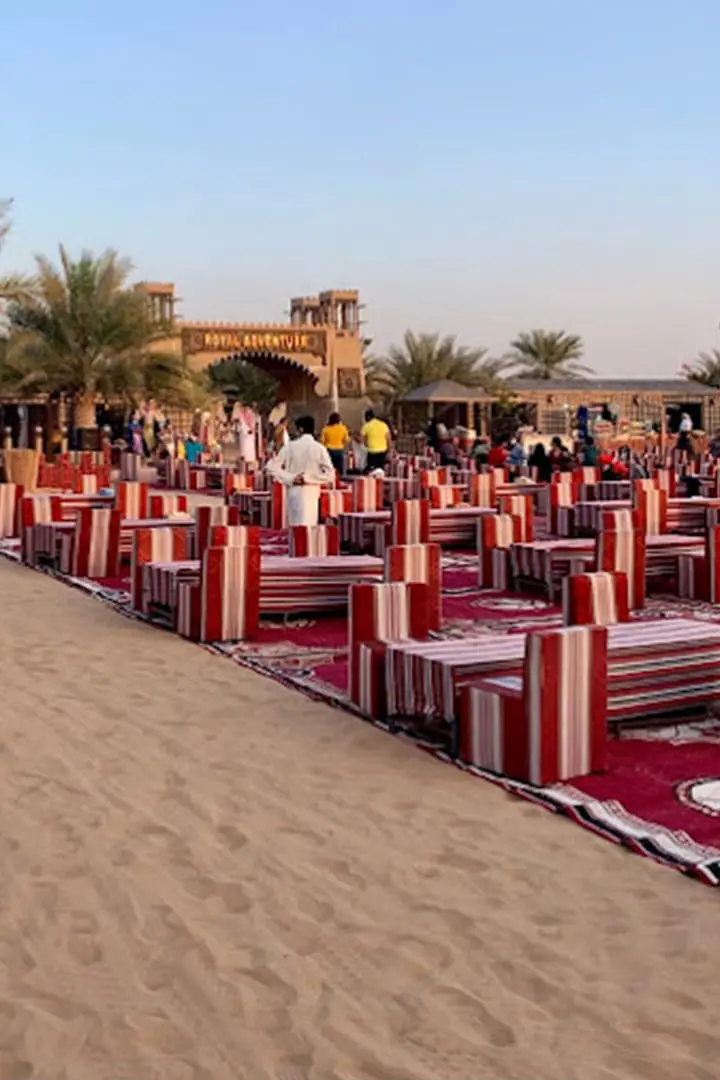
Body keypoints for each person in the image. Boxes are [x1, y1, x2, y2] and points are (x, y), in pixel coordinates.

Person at [266, 415, 335, 526]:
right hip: (312, 492)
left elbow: (271, 467)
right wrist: (310, 479)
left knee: (295, 527)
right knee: (309, 529)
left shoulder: (290, 447)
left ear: (300, 429)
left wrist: (291, 478)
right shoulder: (319, 448)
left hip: (294, 491)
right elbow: (330, 475)